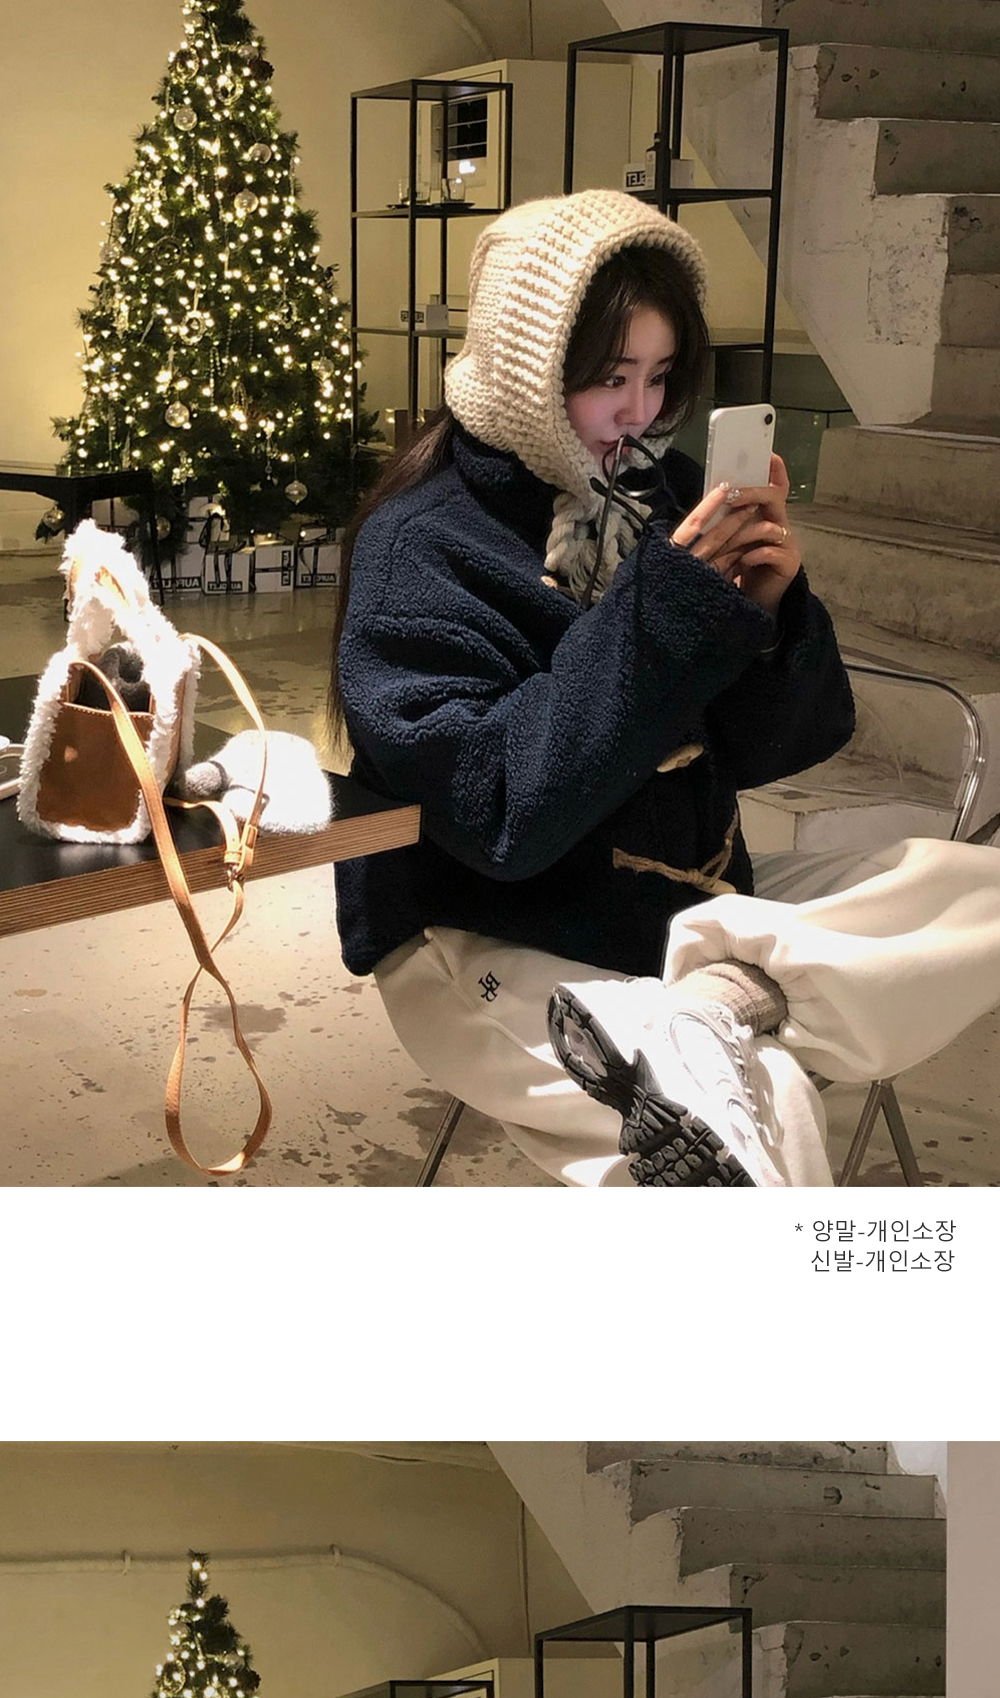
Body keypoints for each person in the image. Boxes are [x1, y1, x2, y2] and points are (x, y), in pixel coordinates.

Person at [330, 186, 1000, 1186]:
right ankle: (721, 1017)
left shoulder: (663, 491)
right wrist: (668, 614)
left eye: (660, 374)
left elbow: (775, 748)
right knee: (755, 1101)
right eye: (609, 377)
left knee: (973, 895)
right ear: (524, 369)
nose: (639, 411)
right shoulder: (420, 545)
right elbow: (501, 816)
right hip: (484, 934)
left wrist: (768, 618)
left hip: (675, 909)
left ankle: (717, 1005)